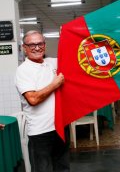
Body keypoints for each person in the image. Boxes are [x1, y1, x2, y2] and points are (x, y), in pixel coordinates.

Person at [15, 30, 70, 172]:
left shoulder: (52, 62)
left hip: (60, 127)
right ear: (24, 48)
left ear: (44, 45)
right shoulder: (23, 70)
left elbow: (74, 62)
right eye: (32, 45)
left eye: (40, 43)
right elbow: (33, 99)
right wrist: (54, 84)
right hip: (40, 133)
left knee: (63, 168)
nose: (37, 47)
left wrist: (68, 37)